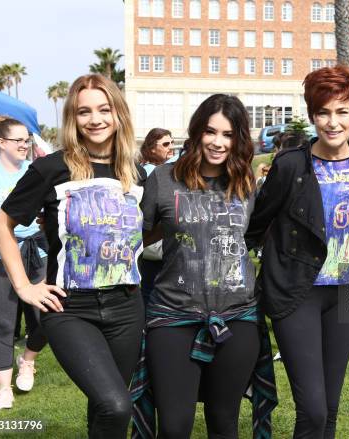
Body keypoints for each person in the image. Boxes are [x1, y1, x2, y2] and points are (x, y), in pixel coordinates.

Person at [0, 74, 146, 438]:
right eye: (84, 112)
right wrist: (25, 287)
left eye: (104, 109)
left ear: (118, 113)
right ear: (72, 119)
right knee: (116, 405)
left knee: (104, 409)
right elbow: (3, 223)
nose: (95, 119)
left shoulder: (135, 172)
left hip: (127, 307)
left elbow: (146, 230)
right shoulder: (51, 168)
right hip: (70, 310)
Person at [245, 66, 349, 438]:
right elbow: (256, 226)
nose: (333, 122)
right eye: (323, 112)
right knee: (312, 408)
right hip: (297, 294)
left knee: (331, 408)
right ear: (312, 116)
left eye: (342, 111)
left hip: (345, 294)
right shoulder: (292, 165)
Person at [132, 94, 277, 439]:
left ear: (239, 139)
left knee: (224, 422)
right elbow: (135, 235)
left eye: (228, 135)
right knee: (174, 425)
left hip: (238, 318)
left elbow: (259, 237)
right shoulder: (163, 179)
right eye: (211, 132)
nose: (218, 142)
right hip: (172, 314)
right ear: (197, 132)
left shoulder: (246, 184)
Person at [0, 116, 48, 409]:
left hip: (37, 255)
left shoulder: (35, 172)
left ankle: (28, 359)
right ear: (1, 143)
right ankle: (4, 389)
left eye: (26, 140)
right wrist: (4, 247)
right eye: (18, 140)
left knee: (50, 319)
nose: (24, 144)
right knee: (4, 325)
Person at [138, 128, 174, 306]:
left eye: (172, 142)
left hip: (157, 245)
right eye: (166, 144)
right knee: (151, 291)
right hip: (154, 241)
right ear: (152, 148)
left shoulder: (164, 171)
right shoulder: (150, 173)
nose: (171, 147)